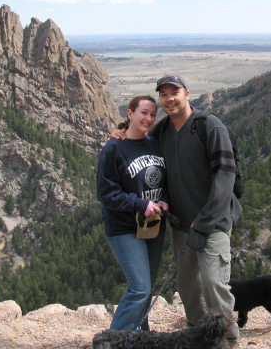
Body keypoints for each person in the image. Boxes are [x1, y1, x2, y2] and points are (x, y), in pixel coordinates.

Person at [112, 75, 242, 345]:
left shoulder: (208, 126)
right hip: (182, 225)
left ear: (187, 94)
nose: (169, 99)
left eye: (175, 92)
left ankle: (227, 341)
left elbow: (225, 174)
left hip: (213, 223)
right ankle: (199, 337)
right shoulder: (163, 131)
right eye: (164, 95)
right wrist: (121, 132)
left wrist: (205, 222)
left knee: (214, 284)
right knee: (187, 286)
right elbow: (139, 139)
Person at [96, 95, 169, 332]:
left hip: (154, 225)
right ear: (129, 114)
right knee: (139, 289)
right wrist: (140, 204)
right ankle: (111, 341)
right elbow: (106, 194)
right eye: (143, 113)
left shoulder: (155, 143)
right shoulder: (113, 148)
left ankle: (139, 337)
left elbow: (166, 181)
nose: (148, 118)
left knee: (146, 289)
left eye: (152, 114)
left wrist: (164, 200)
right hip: (124, 227)